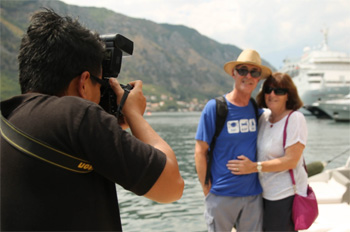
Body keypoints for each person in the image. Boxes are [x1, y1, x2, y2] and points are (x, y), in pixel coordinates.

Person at [0, 9, 184, 231]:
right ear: (84, 82)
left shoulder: (9, 117)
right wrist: (133, 113)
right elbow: (172, 186)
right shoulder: (76, 114)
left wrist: (111, 127)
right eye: (100, 84)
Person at [194, 49, 272, 231]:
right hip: (221, 195)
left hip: (252, 196)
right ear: (233, 73)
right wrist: (207, 189)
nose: (248, 76)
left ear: (259, 78)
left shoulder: (255, 110)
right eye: (243, 70)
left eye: (254, 72)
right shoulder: (215, 108)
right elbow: (200, 151)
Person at [227, 72, 307, 231]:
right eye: (268, 90)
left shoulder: (295, 119)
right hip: (260, 194)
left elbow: (291, 160)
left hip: (283, 196)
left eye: (279, 91)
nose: (272, 94)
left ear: (288, 95)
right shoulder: (263, 118)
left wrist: (254, 167)